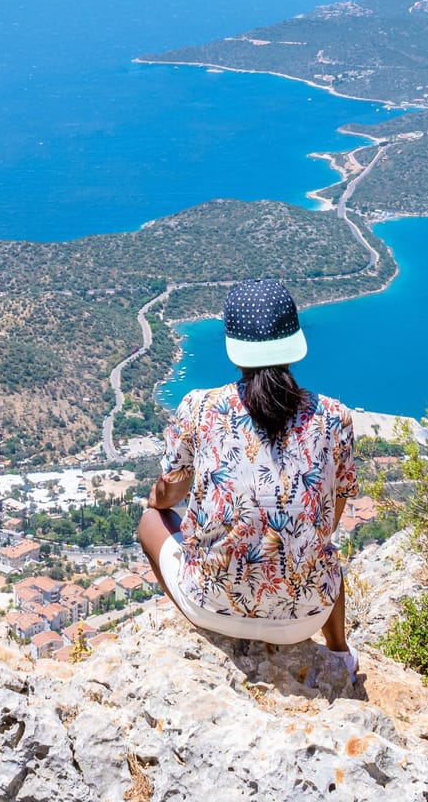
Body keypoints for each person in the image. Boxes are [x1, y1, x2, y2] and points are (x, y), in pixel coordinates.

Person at [137, 278, 359, 675]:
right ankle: (339, 651)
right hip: (304, 618)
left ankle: (202, 624)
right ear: (293, 340)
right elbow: (330, 518)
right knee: (324, 548)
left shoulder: (199, 408)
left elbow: (170, 494)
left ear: (234, 346)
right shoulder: (334, 417)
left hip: (210, 609)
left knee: (150, 520)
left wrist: (158, 500)